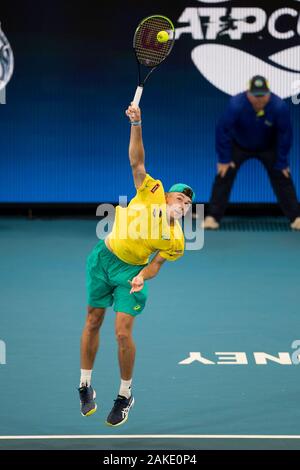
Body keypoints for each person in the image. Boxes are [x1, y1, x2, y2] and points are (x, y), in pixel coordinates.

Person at [78, 103, 195, 426]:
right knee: (92, 320)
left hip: (131, 273)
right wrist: (137, 122)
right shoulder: (150, 191)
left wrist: (143, 275)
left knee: (121, 333)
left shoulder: (175, 241)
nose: (184, 205)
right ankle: (85, 384)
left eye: (189, 204)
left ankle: (125, 393)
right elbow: (137, 159)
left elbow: (156, 264)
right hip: (103, 258)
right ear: (167, 197)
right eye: (180, 199)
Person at [203, 75, 300, 230]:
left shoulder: (279, 107)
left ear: (269, 94)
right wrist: (224, 159)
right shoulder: (236, 104)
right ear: (248, 93)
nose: (260, 100)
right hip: (239, 145)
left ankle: (296, 217)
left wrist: (282, 161)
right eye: (256, 96)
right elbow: (223, 130)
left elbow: (285, 135)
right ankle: (212, 217)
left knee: (283, 175)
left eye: (263, 95)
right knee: (223, 174)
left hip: (268, 147)